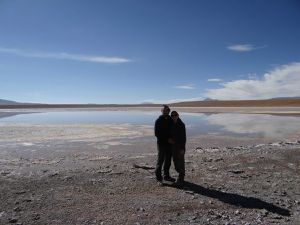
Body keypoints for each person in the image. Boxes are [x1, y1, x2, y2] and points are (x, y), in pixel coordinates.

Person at [154, 105, 175, 182]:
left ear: (169, 111)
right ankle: (159, 178)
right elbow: (157, 134)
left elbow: (174, 131)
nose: (165, 112)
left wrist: (173, 139)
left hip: (170, 144)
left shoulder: (171, 120)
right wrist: (167, 139)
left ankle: (166, 176)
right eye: (164, 110)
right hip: (161, 144)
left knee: (168, 161)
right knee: (160, 160)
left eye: (167, 110)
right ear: (161, 111)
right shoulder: (158, 121)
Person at [169, 111, 186, 186]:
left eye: (175, 115)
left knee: (181, 162)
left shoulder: (181, 124)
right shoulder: (171, 124)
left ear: (178, 115)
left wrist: (182, 148)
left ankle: (181, 177)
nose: (174, 117)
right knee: (175, 161)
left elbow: (184, 138)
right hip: (173, 146)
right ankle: (179, 172)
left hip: (180, 146)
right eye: (172, 115)